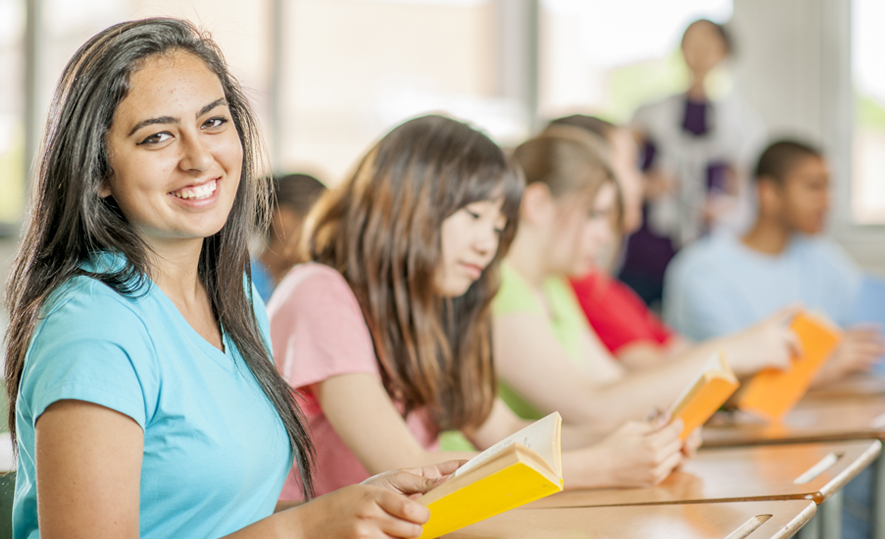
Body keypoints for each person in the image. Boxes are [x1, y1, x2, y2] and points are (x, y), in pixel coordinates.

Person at [2, 18, 457, 539]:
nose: (200, 158)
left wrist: (359, 504)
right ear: (99, 172)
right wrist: (307, 528)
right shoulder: (94, 327)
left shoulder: (229, 293)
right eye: (157, 137)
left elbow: (223, 520)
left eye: (214, 123)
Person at [268, 115, 696, 499]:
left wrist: (638, 441)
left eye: (497, 226)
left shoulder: (432, 306)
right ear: (406, 202)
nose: (487, 244)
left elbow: (506, 433)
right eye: (473, 216)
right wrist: (601, 465)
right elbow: (410, 473)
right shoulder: (319, 293)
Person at [493, 127, 799, 430]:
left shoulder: (551, 286)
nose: (603, 236)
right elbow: (591, 408)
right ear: (537, 205)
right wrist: (732, 352)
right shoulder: (500, 290)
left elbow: (616, 386)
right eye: (594, 214)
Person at [663, 140, 885, 383]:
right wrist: (822, 366)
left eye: (828, 188)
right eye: (814, 188)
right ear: (768, 194)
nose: (827, 202)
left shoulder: (821, 254)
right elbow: (736, 378)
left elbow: (869, 320)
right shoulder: (701, 271)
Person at [621, 18, 766, 308]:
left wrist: (725, 208)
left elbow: (744, 193)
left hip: (705, 244)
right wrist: (645, 185)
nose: (700, 51)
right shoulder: (650, 113)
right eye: (693, 42)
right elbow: (619, 164)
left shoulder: (740, 123)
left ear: (724, 53)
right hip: (649, 246)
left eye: (709, 44)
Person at [550, 114, 688, 370]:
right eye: (632, 166)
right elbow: (656, 374)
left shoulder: (603, 284)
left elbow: (679, 352)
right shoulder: (575, 284)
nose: (641, 182)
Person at [251, 173, 327, 302]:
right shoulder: (242, 282)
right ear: (284, 220)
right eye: (318, 227)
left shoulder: (303, 284)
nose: (324, 240)